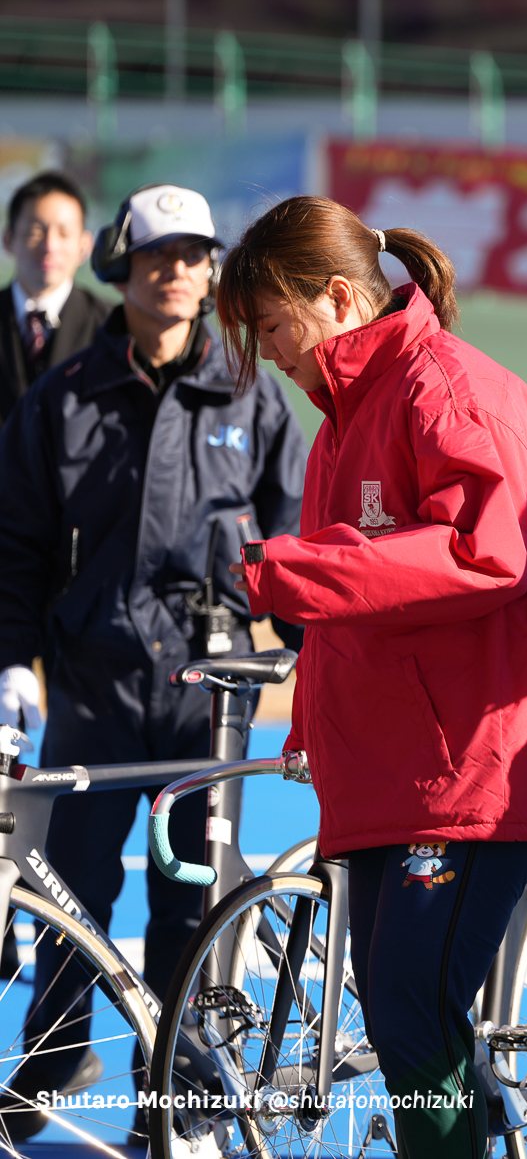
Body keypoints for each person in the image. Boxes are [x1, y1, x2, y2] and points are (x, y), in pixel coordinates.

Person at [221, 196, 527, 1159]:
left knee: (411, 1019)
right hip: (392, 769)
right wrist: (313, 723)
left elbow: (487, 552)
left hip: (469, 770)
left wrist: (290, 568)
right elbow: (361, 611)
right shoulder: (346, 413)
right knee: (400, 1025)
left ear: (337, 298)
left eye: (269, 324)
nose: (266, 351)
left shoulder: (451, 390)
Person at [0, 183, 306, 1138]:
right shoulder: (63, 399)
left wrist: (317, 653)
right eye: (156, 256)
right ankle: (48, 1066)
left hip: (209, 699)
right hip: (90, 687)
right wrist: (13, 662)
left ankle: (176, 1102)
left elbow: (299, 542)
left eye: (193, 255)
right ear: (122, 271)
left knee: (193, 912)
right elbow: (13, 547)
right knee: (67, 899)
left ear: (212, 272)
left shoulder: (254, 396)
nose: (175, 272)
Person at [0, 172, 113, 421]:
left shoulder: (112, 326)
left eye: (64, 233)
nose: (50, 246)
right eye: (35, 232)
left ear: (85, 246)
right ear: (8, 239)